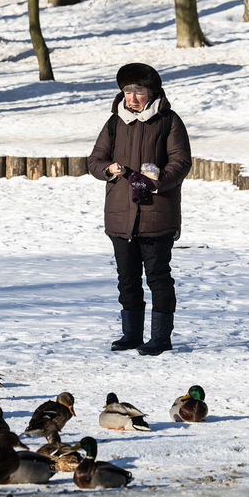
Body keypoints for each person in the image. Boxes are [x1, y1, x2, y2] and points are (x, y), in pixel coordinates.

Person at [87, 63, 192, 356]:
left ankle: (161, 337)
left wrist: (159, 181)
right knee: (127, 280)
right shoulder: (113, 123)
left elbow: (181, 162)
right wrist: (107, 168)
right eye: (127, 91)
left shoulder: (169, 121)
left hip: (157, 214)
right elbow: (94, 160)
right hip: (120, 216)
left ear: (152, 92)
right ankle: (131, 334)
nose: (132, 98)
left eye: (139, 91)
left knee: (158, 278)